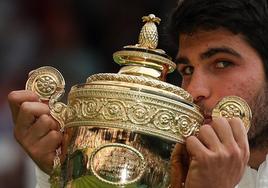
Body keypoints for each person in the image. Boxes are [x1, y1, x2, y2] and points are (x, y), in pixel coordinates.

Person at [7, 0, 268, 187]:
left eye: (222, 63)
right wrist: (58, 170)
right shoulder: (168, 166)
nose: (194, 90)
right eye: (187, 69)